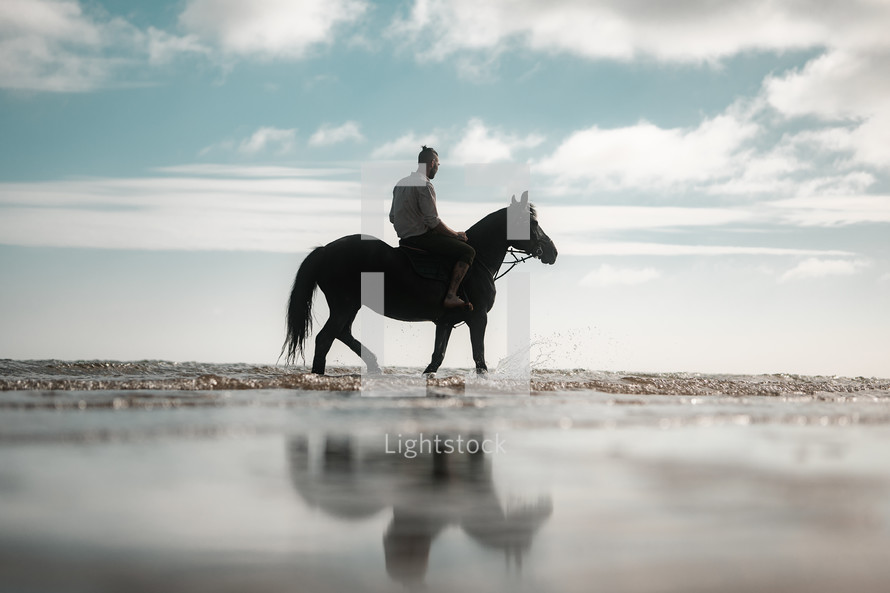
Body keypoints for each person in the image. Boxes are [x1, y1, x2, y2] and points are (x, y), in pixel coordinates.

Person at [390, 146, 475, 309]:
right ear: (432, 163)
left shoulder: (400, 184)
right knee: (468, 251)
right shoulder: (425, 185)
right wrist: (456, 235)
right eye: (438, 165)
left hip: (404, 240)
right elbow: (433, 222)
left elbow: (392, 217)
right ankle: (451, 295)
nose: (437, 169)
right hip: (422, 239)